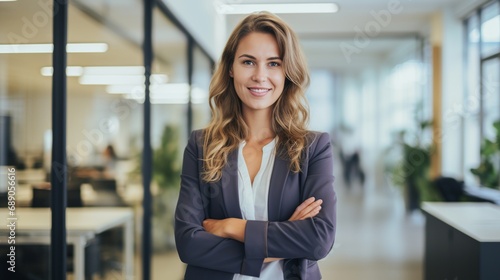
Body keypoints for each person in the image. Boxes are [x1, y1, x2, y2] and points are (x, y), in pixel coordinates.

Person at [174, 11, 336, 280]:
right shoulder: (201, 145)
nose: (260, 76)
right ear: (230, 67)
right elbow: (189, 244)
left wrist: (231, 227)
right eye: (248, 62)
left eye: (274, 64)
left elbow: (318, 240)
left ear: (288, 72)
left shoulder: (314, 148)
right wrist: (285, 237)